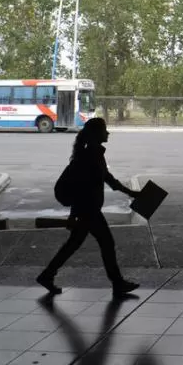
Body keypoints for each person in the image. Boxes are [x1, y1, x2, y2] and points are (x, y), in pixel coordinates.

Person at [37, 118, 140, 296]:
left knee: (74, 244)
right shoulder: (89, 156)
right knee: (106, 243)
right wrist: (74, 214)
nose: (108, 133)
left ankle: (47, 275)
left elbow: (109, 179)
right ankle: (117, 284)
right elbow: (81, 188)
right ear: (96, 134)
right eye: (105, 130)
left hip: (88, 208)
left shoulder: (95, 153)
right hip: (88, 209)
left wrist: (131, 193)